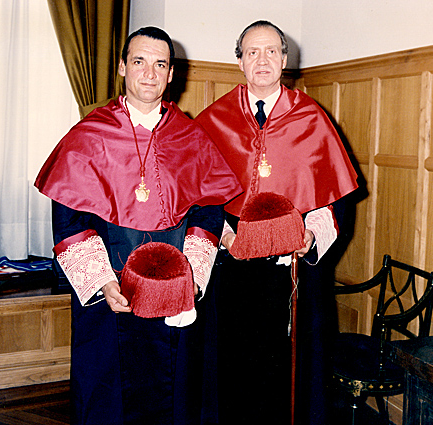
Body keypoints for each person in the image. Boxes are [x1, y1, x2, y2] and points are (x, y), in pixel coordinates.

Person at [35, 26, 242, 425]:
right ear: (122, 68)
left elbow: (208, 210)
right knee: (108, 397)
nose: (149, 73)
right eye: (139, 62)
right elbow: (69, 217)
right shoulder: (89, 135)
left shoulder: (191, 136)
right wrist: (101, 284)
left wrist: (191, 279)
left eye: (160, 64)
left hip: (176, 289)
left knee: (178, 392)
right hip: (111, 288)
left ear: (171, 76)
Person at [195, 20, 359, 425]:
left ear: (285, 60)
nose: (262, 60)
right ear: (239, 62)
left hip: (294, 273)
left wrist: (312, 234)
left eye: (271, 51)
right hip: (232, 269)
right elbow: (196, 196)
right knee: (232, 369)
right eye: (253, 52)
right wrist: (222, 231)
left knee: (293, 378)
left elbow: (337, 196)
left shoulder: (312, 118)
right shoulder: (213, 120)